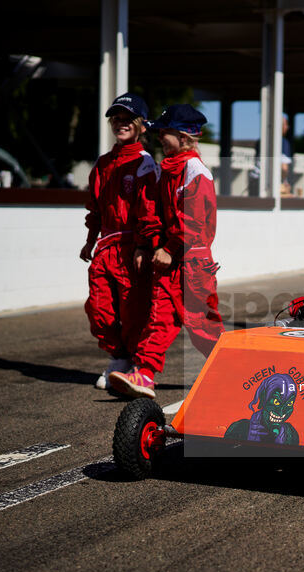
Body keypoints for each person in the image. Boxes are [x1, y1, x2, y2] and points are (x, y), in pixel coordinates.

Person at [110, 104, 226, 399]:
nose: (160, 137)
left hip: (193, 261)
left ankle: (230, 369)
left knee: (202, 324)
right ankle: (144, 374)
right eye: (159, 132)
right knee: (159, 316)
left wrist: (171, 248)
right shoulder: (167, 170)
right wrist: (147, 245)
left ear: (185, 136)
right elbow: (155, 213)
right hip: (169, 258)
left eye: (165, 132)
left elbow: (194, 220)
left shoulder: (194, 171)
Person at [79, 93, 159, 390]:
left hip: (132, 249)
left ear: (141, 126)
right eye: (117, 119)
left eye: (128, 119)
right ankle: (119, 358)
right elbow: (95, 208)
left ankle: (137, 365)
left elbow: (150, 211)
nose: (121, 124)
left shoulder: (146, 164)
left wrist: (144, 246)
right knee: (99, 310)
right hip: (105, 248)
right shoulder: (103, 164)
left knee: (133, 311)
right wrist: (90, 241)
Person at [248, 115, 292, 196]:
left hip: (255, 180)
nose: (287, 127)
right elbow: (284, 168)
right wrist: (283, 182)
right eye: (286, 124)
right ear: (280, 126)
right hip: (270, 183)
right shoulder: (283, 142)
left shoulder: (260, 141)